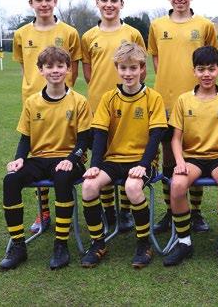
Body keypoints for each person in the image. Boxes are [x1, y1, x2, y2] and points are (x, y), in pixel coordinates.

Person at [0, 46, 90, 270]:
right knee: (11, 179)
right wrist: (19, 158)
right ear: (40, 70)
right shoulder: (32, 102)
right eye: (49, 66)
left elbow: (84, 140)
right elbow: (25, 138)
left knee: (62, 177)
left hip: (69, 159)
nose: (55, 70)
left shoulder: (79, 101)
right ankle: (18, 246)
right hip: (39, 158)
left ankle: (61, 245)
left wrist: (72, 159)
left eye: (60, 66)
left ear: (68, 69)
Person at [79, 42, 167, 268]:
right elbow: (100, 134)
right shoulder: (108, 98)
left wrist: (144, 164)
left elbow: (156, 135)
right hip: (113, 160)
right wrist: (95, 165)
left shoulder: (153, 97)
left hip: (142, 161)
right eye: (123, 68)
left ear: (142, 68)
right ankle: (98, 243)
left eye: (133, 68)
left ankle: (144, 244)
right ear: (117, 68)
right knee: (88, 186)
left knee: (133, 187)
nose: (128, 73)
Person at [148, 0, 217, 235]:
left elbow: (209, 58)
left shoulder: (205, 25)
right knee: (169, 157)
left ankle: (195, 212)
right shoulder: (157, 26)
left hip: (198, 101)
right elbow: (156, 59)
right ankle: (172, 209)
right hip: (165, 102)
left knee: (194, 155)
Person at [163, 46, 218, 267]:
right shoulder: (183, 100)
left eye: (211, 69)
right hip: (192, 158)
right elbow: (176, 138)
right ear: (194, 71)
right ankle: (184, 242)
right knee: (177, 184)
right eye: (201, 69)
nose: (206, 74)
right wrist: (180, 162)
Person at [13, 0, 82, 234]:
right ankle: (42, 212)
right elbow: (26, 67)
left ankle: (65, 209)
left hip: (64, 104)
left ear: (55, 1)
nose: (44, 4)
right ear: (31, 3)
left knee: (64, 158)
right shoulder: (21, 34)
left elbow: (73, 69)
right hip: (34, 104)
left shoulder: (69, 32)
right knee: (38, 156)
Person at [81, 0, 146, 233]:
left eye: (114, 0)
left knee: (127, 154)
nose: (109, 4)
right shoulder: (88, 36)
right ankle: (109, 210)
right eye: (104, 0)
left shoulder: (132, 34)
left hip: (128, 105)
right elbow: (88, 73)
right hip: (99, 106)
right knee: (104, 156)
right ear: (97, 2)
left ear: (122, 3)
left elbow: (140, 68)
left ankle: (126, 211)